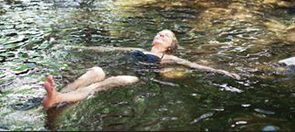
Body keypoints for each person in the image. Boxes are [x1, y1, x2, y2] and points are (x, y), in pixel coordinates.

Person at [43, 29, 240, 108]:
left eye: (166, 36)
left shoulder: (167, 57)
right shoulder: (137, 49)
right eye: (159, 33)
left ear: (170, 45)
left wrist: (221, 72)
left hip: (133, 77)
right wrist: (71, 47)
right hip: (116, 68)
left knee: (103, 83)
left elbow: (194, 66)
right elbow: (106, 49)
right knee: (96, 71)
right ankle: (57, 95)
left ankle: (58, 98)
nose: (160, 35)